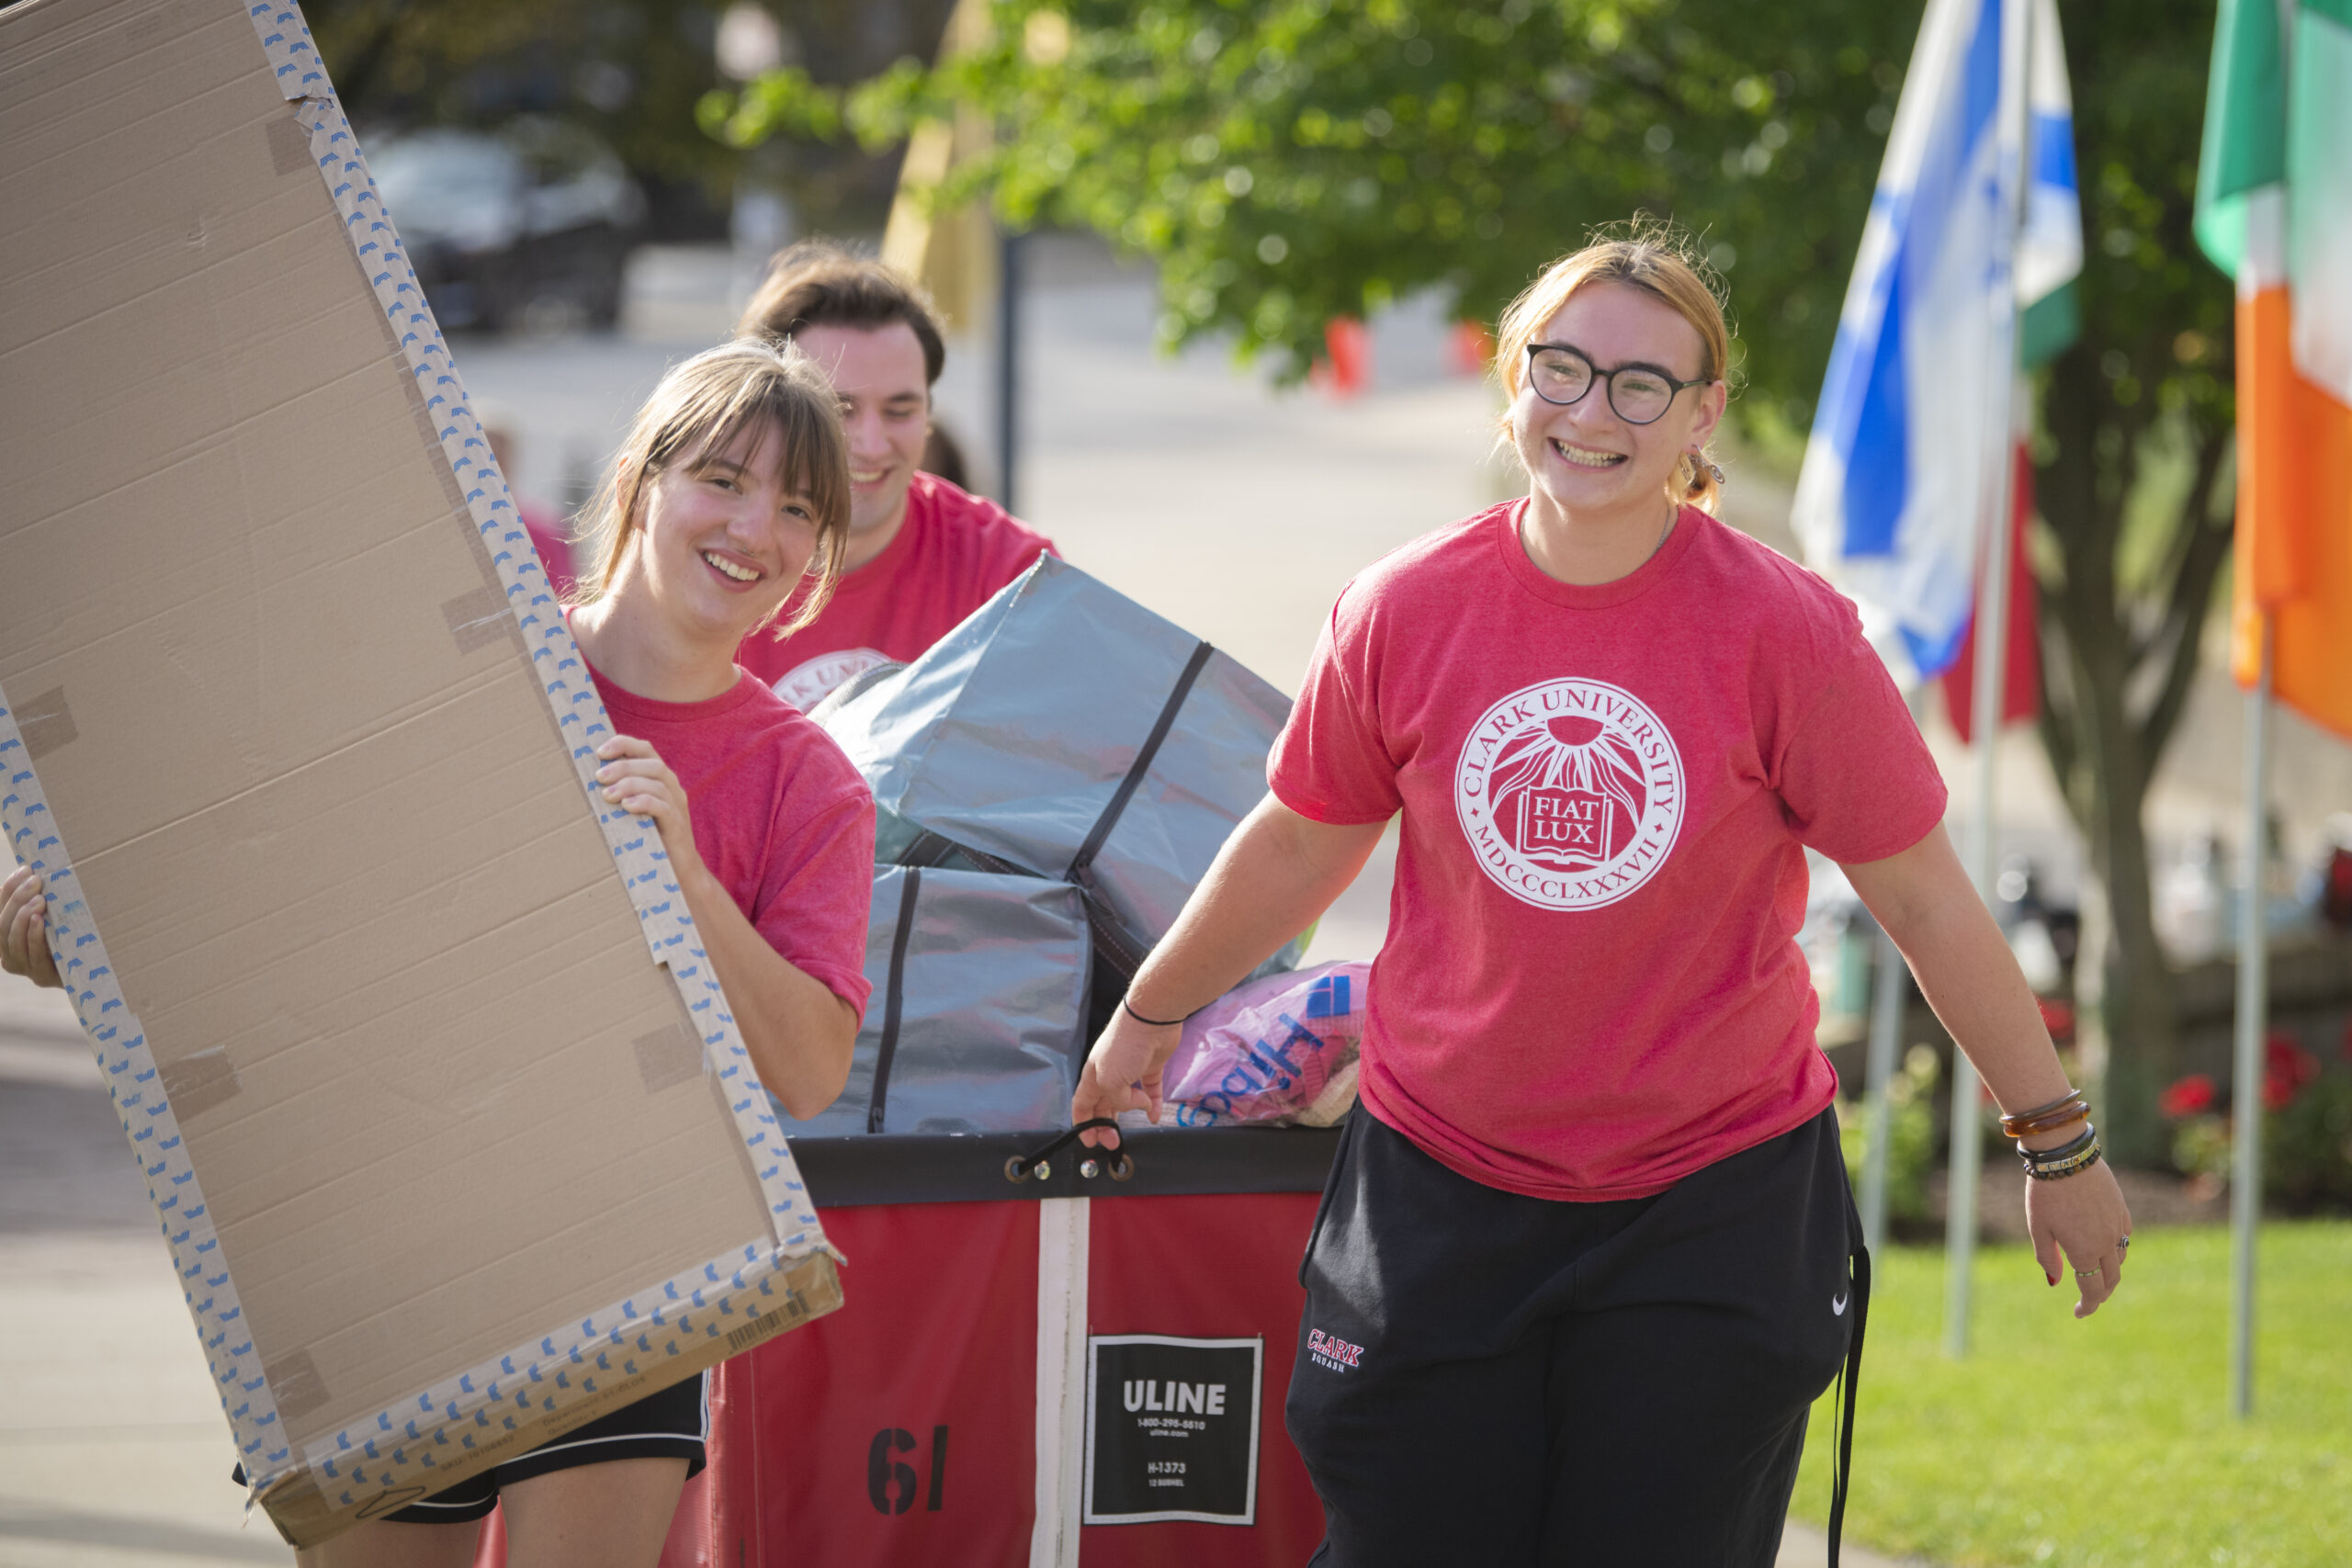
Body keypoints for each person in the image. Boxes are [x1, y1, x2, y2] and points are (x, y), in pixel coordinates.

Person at [1069, 231, 2133, 1567]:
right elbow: (1297, 841)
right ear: (1513, 382)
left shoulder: (1786, 631)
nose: (1592, 411)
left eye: (1642, 384)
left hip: (1711, 1203)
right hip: (1436, 1190)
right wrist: (1144, 1018)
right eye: (1562, 368)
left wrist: (2058, 1138)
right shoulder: (1403, 607)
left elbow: (1922, 896)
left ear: (1700, 415)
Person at [5, 338, 876, 1566]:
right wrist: (85, 928)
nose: (755, 528)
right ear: (643, 478)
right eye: (725, 479)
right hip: (385, 1232)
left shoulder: (811, 783)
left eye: (797, 508)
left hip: (624, 1256)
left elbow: (813, 1066)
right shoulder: (464, 668)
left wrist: (685, 876)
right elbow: (278, 865)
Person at [731, 240, 1055, 709]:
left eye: (900, 411)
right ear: (760, 409)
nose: (871, 444)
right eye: (838, 409)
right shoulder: (708, 556)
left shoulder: (1013, 574)